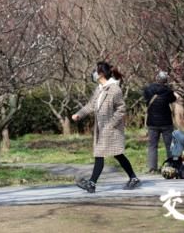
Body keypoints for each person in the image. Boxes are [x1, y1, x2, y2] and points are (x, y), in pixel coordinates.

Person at [72, 61, 141, 193]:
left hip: (111, 129)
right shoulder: (99, 89)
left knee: (100, 154)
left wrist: (110, 125)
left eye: (95, 71)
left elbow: (121, 109)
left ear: (101, 74)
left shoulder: (114, 89)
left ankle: (91, 183)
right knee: (118, 154)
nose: (93, 73)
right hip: (101, 128)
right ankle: (133, 178)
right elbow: (91, 105)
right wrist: (79, 114)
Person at [143, 71, 176, 174]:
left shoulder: (148, 89)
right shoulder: (168, 91)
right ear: (166, 80)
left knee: (152, 146)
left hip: (152, 123)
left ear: (156, 78)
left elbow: (145, 98)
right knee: (169, 145)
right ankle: (172, 166)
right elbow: (173, 99)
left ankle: (152, 168)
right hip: (166, 122)